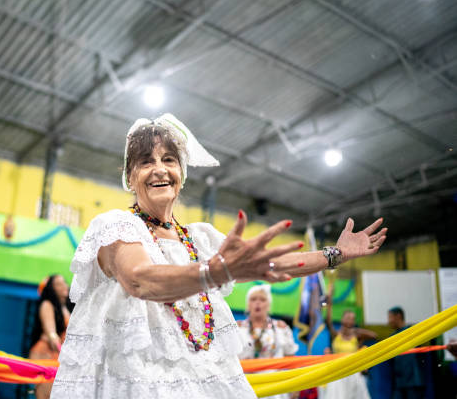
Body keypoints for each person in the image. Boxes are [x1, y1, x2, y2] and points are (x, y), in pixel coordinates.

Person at [50, 114, 388, 398]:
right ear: (129, 177)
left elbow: (270, 264)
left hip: (202, 374)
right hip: (134, 379)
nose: (159, 170)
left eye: (169, 159)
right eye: (145, 162)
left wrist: (335, 255)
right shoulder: (116, 225)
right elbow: (140, 279)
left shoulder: (200, 238)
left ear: (181, 173)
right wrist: (212, 273)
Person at [238, 284, 299, 399]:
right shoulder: (238, 328)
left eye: (262, 299)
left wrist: (295, 386)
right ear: (248, 304)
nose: (258, 303)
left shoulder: (281, 328)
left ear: (268, 304)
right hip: (246, 386)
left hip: (274, 388)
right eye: (253, 299)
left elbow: (291, 358)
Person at [320, 284, 377, 399]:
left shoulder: (356, 335)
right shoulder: (335, 334)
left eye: (352, 318)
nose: (350, 320)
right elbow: (328, 320)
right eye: (347, 317)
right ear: (342, 319)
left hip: (353, 373)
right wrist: (330, 298)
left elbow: (374, 335)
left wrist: (355, 331)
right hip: (338, 373)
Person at [28, 274, 74, 399]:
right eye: (58, 284)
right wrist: (65, 353)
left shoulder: (65, 307)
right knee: (47, 395)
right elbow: (51, 333)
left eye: (64, 282)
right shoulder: (47, 304)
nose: (64, 285)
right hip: (46, 353)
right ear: (51, 289)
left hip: (56, 354)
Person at [387, 307, 425, 399]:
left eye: (390, 317)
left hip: (414, 382)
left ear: (398, 316)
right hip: (399, 383)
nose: (388, 321)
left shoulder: (413, 332)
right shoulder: (392, 337)